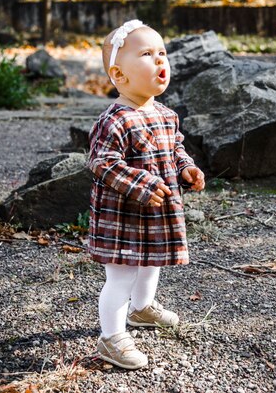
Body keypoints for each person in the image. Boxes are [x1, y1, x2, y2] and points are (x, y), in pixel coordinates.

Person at [87, 19, 205, 370]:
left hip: (155, 213)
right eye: (147, 54)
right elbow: (101, 163)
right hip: (122, 216)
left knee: (153, 262)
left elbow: (175, 149)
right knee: (121, 274)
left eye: (162, 53)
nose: (160, 61)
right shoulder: (115, 120)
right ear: (119, 75)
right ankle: (111, 337)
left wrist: (186, 168)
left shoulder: (167, 115)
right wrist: (141, 184)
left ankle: (142, 309)